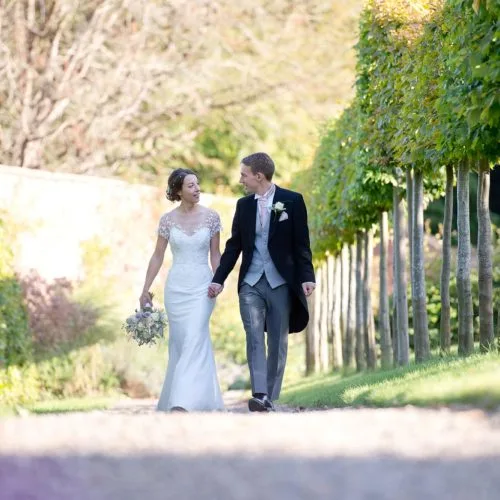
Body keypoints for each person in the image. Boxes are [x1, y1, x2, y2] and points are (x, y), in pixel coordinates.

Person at [208, 152, 315, 412]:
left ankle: (270, 395)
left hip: (280, 282)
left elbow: (302, 245)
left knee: (278, 340)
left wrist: (307, 277)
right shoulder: (244, 206)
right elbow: (234, 247)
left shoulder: (292, 201)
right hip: (251, 282)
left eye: (244, 174)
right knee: (254, 335)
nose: (240, 179)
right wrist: (218, 279)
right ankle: (260, 393)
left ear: (259, 176)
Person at [140, 168, 224, 412]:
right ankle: (192, 398)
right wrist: (145, 288)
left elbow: (215, 254)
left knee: (194, 337)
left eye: (197, 184)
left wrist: (218, 280)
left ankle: (182, 402)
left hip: (203, 288)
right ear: (178, 191)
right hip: (176, 288)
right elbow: (157, 256)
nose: (197, 189)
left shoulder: (212, 217)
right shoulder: (167, 220)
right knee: (180, 342)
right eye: (190, 186)